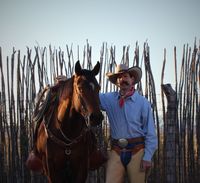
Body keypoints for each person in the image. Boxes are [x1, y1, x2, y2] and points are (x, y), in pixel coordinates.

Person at [99, 64, 158, 183]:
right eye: (119, 77)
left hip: (137, 151)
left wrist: (147, 157)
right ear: (117, 81)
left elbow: (150, 132)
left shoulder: (142, 103)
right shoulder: (109, 99)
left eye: (125, 76)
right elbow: (88, 94)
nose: (123, 80)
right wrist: (66, 83)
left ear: (132, 80)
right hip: (116, 151)